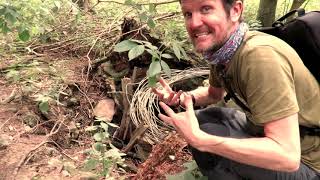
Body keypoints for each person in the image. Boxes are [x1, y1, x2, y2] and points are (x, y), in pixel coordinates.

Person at [151, 0, 320, 179]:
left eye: (206, 9)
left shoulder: (260, 58)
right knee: (205, 118)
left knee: (209, 137)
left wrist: (201, 140)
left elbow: (287, 156)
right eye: (188, 14)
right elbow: (213, 94)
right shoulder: (224, 51)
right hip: (266, 132)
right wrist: (183, 98)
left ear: (235, 11)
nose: (194, 23)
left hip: (308, 162)